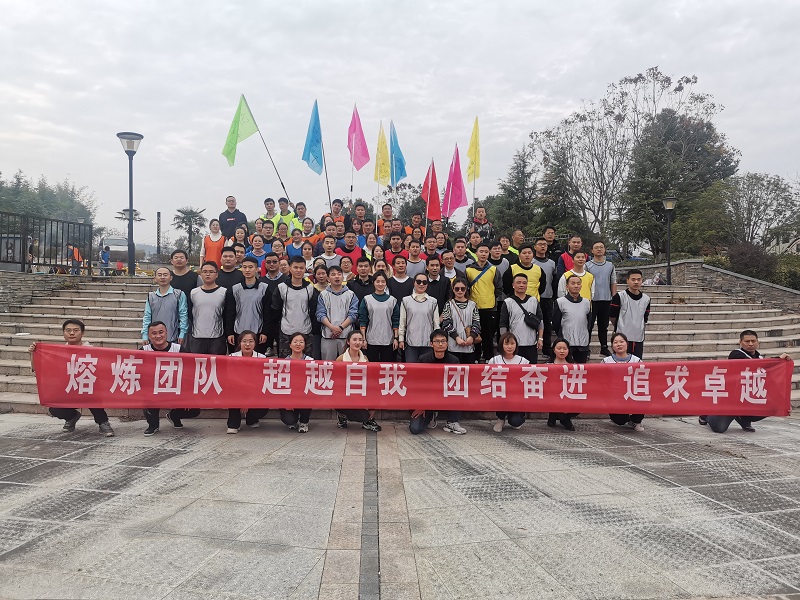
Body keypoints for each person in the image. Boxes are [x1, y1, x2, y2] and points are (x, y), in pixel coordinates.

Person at [28, 319, 115, 436]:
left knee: (93, 398)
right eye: (68, 330)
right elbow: (38, 369)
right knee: (54, 408)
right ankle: (72, 417)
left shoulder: (92, 351)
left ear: (82, 333)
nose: (72, 333)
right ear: (64, 333)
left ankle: (103, 422)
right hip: (68, 390)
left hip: (88, 388)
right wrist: (34, 354)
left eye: (76, 330)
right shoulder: (58, 352)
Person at [700, 330, 792, 433]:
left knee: (774, 406)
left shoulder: (760, 358)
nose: (750, 344)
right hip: (731, 401)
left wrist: (783, 403)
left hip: (748, 399)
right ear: (740, 342)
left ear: (758, 342)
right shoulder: (736, 355)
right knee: (719, 428)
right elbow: (752, 365)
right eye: (747, 341)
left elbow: (769, 380)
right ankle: (706, 414)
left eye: (753, 341)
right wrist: (777, 359)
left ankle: (743, 418)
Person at [141, 321, 198, 436]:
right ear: (149, 336)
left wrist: (188, 393)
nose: (158, 336)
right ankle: (153, 425)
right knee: (146, 397)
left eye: (161, 332)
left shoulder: (178, 349)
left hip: (175, 388)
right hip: (154, 389)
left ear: (167, 333)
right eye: (154, 333)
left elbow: (190, 370)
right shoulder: (144, 350)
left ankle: (174, 415)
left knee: (195, 409)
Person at [409, 329, 466, 435]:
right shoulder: (423, 359)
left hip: (446, 395)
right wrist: (421, 405)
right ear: (431, 344)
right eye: (437, 341)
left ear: (447, 344)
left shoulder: (454, 361)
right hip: (427, 399)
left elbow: (457, 384)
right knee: (415, 429)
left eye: (443, 341)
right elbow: (417, 384)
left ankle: (452, 421)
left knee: (459, 392)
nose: (440, 344)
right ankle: (431, 415)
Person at [335, 331, 381, 432]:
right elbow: (336, 380)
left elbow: (369, 378)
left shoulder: (365, 359)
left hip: (360, 392)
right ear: (348, 342)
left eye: (360, 340)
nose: (357, 342)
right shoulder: (341, 359)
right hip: (345, 394)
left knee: (377, 391)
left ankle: (369, 420)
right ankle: (342, 416)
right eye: (354, 340)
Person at [273, 256, 320, 357]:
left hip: (305, 330)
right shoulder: (281, 287)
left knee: (306, 362)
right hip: (286, 330)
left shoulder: (310, 288)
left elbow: (314, 310)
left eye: (301, 268)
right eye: (295, 267)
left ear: (305, 269)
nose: (298, 270)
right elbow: (276, 310)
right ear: (290, 268)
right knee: (285, 362)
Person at [465, 243, 502, 362]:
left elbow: (498, 288)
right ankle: (475, 356)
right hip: (474, 307)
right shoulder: (469, 270)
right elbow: (466, 288)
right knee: (474, 334)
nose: (483, 254)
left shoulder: (493, 269)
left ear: (489, 253)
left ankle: (488, 357)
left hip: (490, 307)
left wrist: (491, 297)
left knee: (489, 334)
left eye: (486, 252)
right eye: (481, 251)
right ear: (476, 253)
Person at [225, 257, 270, 353]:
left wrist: (265, 332)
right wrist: (229, 332)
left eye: (250, 267)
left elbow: (267, 313)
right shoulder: (235, 289)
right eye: (244, 267)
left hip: (258, 332)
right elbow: (230, 312)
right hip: (238, 332)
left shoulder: (264, 288)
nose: (247, 270)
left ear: (256, 269)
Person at [226, 331, 268, 434]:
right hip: (237, 392)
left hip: (255, 391)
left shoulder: (262, 358)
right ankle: (234, 422)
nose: (247, 344)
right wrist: (243, 400)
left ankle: (251, 419)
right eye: (244, 341)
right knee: (232, 395)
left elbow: (261, 381)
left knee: (264, 405)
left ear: (255, 343)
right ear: (239, 343)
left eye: (251, 341)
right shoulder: (232, 357)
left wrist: (248, 400)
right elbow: (231, 379)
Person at [603, 332, 645, 431]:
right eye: (615, 342)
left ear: (627, 344)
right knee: (619, 420)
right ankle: (625, 419)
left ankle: (636, 421)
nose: (619, 344)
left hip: (633, 393)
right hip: (615, 396)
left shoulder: (636, 360)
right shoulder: (606, 361)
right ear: (612, 346)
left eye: (621, 342)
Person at [499, 272, 544, 363]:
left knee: (531, 369)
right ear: (513, 285)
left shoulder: (533, 300)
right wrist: (505, 341)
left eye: (524, 283)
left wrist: (540, 338)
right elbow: (503, 323)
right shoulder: (508, 302)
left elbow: (540, 321)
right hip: (514, 345)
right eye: (518, 282)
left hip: (531, 343)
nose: (521, 285)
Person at [317, 266, 359, 360]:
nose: (337, 276)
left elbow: (353, 314)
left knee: (346, 364)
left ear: (343, 277)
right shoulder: (323, 295)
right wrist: (332, 327)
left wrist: (340, 328)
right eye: (333, 274)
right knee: (328, 365)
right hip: (328, 335)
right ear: (328, 278)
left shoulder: (351, 294)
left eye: (339, 274)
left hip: (346, 336)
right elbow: (320, 314)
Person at [490, 332, 530, 432]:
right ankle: (500, 419)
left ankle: (515, 417)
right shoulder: (494, 361)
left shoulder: (524, 361)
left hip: (517, 397)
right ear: (501, 345)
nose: (509, 347)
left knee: (516, 422)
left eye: (512, 343)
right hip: (500, 395)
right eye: (506, 344)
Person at [359, 271, 399, 362]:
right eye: (377, 281)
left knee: (387, 366)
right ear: (373, 283)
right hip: (371, 339)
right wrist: (363, 339)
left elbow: (395, 320)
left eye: (383, 281)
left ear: (386, 283)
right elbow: (363, 320)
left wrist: (396, 338)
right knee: (372, 365)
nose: (380, 284)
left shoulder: (392, 300)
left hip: (388, 339)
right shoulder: (367, 299)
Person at [188, 261, 228, 355]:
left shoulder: (224, 292)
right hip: (197, 337)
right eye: (205, 272)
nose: (208, 274)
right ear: (201, 274)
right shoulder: (194, 292)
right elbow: (190, 313)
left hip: (217, 338)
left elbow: (227, 314)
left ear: (216, 275)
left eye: (211, 272)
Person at [399, 275, 441, 363]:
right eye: (418, 282)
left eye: (424, 282)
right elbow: (402, 322)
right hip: (411, 342)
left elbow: (436, 323)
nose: (421, 284)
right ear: (414, 283)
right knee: (411, 368)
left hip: (428, 342)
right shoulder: (406, 300)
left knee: (426, 369)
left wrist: (437, 340)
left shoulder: (433, 301)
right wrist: (401, 339)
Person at [141, 267, 188, 345]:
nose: (162, 277)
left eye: (165, 275)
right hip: (154, 338)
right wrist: (145, 335)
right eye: (159, 275)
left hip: (173, 338)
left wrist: (182, 333)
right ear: (155, 278)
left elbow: (183, 315)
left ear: (171, 278)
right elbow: (147, 317)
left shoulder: (179, 294)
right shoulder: (151, 296)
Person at [610, 269, 650, 358]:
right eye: (633, 279)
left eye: (639, 279)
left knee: (636, 363)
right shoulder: (619, 296)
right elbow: (612, 316)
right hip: (621, 338)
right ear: (627, 280)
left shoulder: (646, 299)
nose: (636, 282)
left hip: (638, 338)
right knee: (620, 363)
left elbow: (645, 318)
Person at [278, 332, 314, 433]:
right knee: (289, 421)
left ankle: (304, 422)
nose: (298, 344)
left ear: (305, 345)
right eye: (295, 341)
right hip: (288, 395)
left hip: (304, 394)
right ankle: (292, 419)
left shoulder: (310, 361)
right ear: (290, 345)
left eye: (301, 342)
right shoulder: (283, 362)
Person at [552, 274, 592, 364]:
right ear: (567, 286)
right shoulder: (560, 302)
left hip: (583, 343)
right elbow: (556, 323)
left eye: (578, 283)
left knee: (581, 369)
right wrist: (562, 338)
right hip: (566, 344)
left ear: (581, 286)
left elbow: (589, 323)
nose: (576, 286)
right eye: (573, 283)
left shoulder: (586, 302)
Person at [440, 277, 480, 364]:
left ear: (466, 289)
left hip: (469, 345)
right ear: (453, 289)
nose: (460, 291)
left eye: (462, 288)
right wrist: (457, 338)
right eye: (457, 289)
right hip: (453, 346)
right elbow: (446, 324)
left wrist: (471, 337)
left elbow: (477, 323)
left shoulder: (473, 305)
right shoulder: (448, 304)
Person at [587, 241, 617, 357]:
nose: (599, 249)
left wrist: (614, 298)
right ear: (592, 250)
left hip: (606, 299)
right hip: (591, 300)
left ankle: (604, 348)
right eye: (596, 247)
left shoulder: (610, 266)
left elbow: (613, 282)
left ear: (604, 250)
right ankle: (586, 348)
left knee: (603, 326)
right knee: (589, 325)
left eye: (601, 247)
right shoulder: (587, 266)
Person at [168, 249, 199, 345]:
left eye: (181, 257)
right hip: (171, 314)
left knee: (186, 344)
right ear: (171, 261)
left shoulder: (194, 276)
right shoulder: (168, 276)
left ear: (187, 260)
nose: (179, 260)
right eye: (176, 258)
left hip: (190, 314)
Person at [547, 338, 579, 430]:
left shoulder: (574, 366)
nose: (562, 351)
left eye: (565, 348)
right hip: (553, 396)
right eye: (559, 348)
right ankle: (555, 416)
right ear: (554, 350)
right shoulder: (547, 366)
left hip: (568, 394)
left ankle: (565, 419)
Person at [533, 238, 557, 356]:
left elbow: (554, 281)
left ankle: (547, 348)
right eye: (540, 244)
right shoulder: (531, 262)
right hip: (533, 298)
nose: (542, 246)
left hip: (547, 297)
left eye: (544, 244)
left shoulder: (552, 263)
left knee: (547, 323)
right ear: (535, 247)